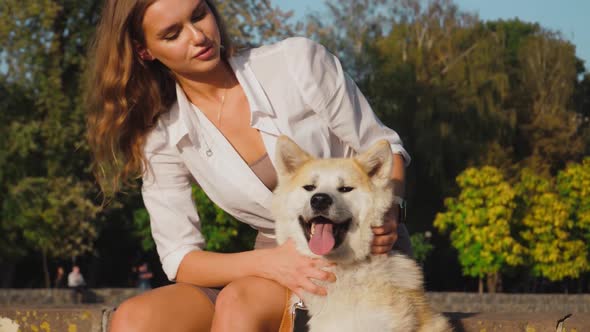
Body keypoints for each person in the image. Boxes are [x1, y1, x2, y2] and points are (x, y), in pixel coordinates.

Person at [85, 0, 412, 331]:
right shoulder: (163, 138)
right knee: (133, 320)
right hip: (266, 263)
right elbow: (180, 258)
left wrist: (391, 211)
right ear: (145, 52)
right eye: (172, 34)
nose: (198, 36)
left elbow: (384, 147)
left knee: (238, 303)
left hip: (356, 254)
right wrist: (271, 262)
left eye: (199, 15)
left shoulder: (297, 62)